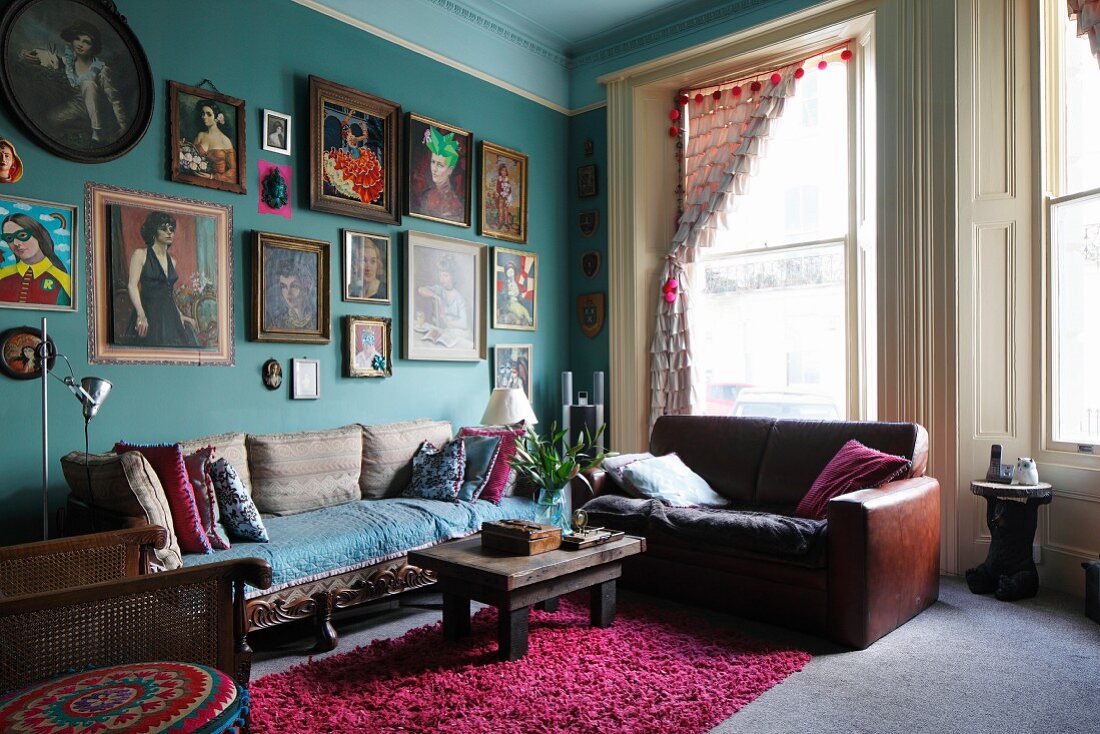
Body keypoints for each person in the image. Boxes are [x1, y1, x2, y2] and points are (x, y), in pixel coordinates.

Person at [19, 19, 128, 144]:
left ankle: (97, 132)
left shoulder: (101, 69)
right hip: (76, 106)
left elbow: (115, 99)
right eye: (78, 39)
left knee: (89, 84)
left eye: (86, 42)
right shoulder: (69, 62)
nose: (80, 44)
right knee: (51, 120)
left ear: (93, 47)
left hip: (98, 110)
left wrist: (123, 125)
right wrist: (29, 54)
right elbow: (50, 58)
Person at [124, 211, 198, 347]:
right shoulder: (140, 255)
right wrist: (141, 314)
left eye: (171, 229)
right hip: (149, 313)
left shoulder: (173, 261)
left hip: (170, 316)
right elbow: (132, 285)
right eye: (163, 229)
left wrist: (180, 315)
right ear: (154, 232)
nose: (169, 232)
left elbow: (168, 294)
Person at [0, 212, 71, 306]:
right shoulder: (3, 275)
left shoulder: (63, 280)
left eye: (22, 235)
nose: (16, 243)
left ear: (38, 235)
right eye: (9, 238)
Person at [416, 253, 470, 347]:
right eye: (440, 276)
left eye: (445, 276)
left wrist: (446, 320)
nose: (442, 279)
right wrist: (436, 297)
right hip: (445, 332)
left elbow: (464, 323)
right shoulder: (439, 290)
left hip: (460, 334)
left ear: (453, 276)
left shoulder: (459, 298)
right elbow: (420, 290)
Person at [414, 127, 462, 220]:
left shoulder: (455, 203)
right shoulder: (425, 195)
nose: (434, 169)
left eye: (440, 165)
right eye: (433, 162)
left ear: (450, 170)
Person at [192, 101, 235, 183]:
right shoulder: (200, 135)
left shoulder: (225, 140)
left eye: (209, 114)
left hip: (217, 184)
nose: (204, 117)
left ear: (217, 117)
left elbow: (233, 169)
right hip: (196, 180)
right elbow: (192, 154)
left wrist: (212, 177)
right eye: (203, 113)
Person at [269, 258, 316, 330]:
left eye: (294, 286)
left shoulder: (316, 318)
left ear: (307, 286)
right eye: (283, 286)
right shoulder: (277, 322)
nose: (288, 293)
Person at [499, 261, 532, 326]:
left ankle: (529, 320)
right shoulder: (506, 283)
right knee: (518, 310)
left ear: (514, 272)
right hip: (510, 303)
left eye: (511, 271)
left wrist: (519, 297)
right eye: (508, 272)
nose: (510, 273)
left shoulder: (516, 284)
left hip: (517, 302)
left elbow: (518, 295)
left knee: (524, 310)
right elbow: (503, 295)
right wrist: (508, 294)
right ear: (506, 273)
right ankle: (522, 318)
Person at [494, 162, 513, 230]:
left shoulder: (507, 180)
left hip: (506, 197)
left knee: (506, 210)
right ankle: (500, 222)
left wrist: (508, 194)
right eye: (502, 170)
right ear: (500, 171)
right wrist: (502, 193)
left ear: (506, 172)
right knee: (501, 210)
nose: (503, 172)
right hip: (501, 197)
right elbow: (498, 188)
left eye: (505, 171)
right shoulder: (499, 180)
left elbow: (510, 189)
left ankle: (506, 222)